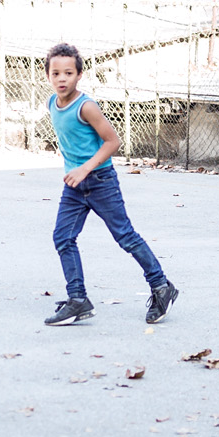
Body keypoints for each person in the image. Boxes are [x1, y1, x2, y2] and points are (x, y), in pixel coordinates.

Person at [42, 41, 178, 327]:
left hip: (100, 181)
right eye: (56, 74)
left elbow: (113, 141)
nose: (62, 79)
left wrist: (85, 168)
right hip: (75, 186)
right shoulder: (51, 103)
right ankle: (77, 299)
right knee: (62, 238)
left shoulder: (86, 106)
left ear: (79, 75)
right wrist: (74, 167)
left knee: (125, 236)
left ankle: (161, 286)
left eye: (68, 73)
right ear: (48, 76)